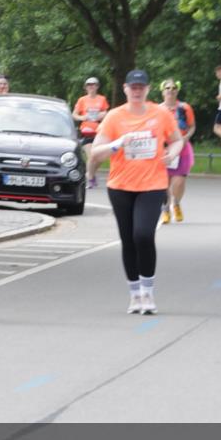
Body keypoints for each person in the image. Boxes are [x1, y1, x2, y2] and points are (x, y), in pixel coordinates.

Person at [89, 69, 183, 315]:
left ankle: (148, 292)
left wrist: (172, 152)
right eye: (133, 87)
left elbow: (177, 139)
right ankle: (134, 294)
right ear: (125, 89)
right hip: (120, 186)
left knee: (143, 235)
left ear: (148, 89)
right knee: (128, 240)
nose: (137, 90)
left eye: (141, 87)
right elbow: (96, 152)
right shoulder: (114, 117)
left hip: (152, 185)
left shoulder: (160, 113)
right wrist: (116, 144)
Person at [159, 79, 196, 224]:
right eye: (167, 88)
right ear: (163, 91)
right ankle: (165, 209)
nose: (171, 90)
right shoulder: (158, 109)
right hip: (164, 149)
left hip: (182, 149)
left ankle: (176, 203)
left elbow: (192, 126)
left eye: (174, 88)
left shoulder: (185, 107)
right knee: (164, 183)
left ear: (177, 90)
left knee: (179, 182)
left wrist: (186, 137)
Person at [72, 77, 109, 187]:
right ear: (86, 87)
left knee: (100, 157)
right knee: (91, 155)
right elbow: (74, 115)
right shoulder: (82, 100)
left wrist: (101, 115)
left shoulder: (102, 99)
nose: (91, 87)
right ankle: (91, 180)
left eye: (94, 85)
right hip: (86, 132)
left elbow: (106, 114)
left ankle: (90, 173)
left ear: (97, 86)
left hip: (98, 132)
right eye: (89, 85)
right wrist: (83, 117)